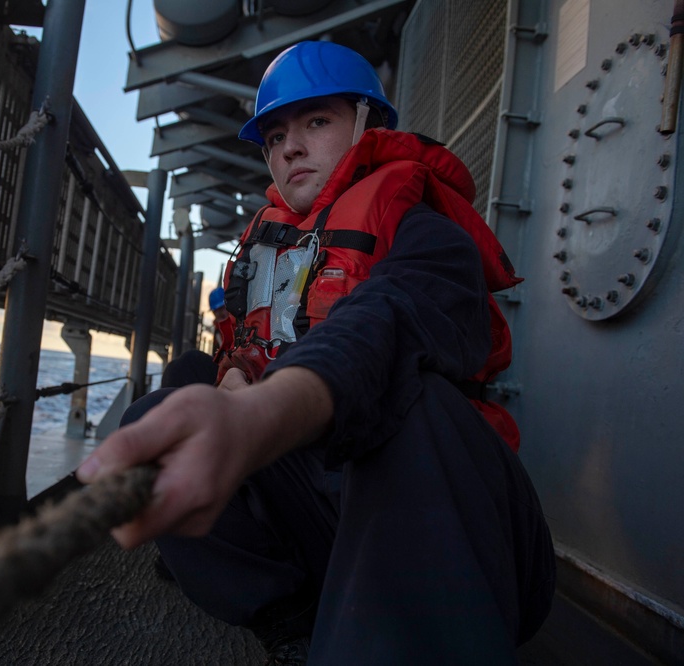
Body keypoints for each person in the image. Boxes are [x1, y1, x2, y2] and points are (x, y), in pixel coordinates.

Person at [77, 41, 554, 665]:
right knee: (162, 412)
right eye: (274, 137)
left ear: (368, 124)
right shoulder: (273, 246)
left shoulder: (422, 227)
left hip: (453, 543)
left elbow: (386, 321)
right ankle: (296, 629)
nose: (290, 148)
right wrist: (234, 384)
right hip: (327, 516)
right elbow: (253, 340)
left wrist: (261, 412)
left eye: (316, 122)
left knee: (419, 399)